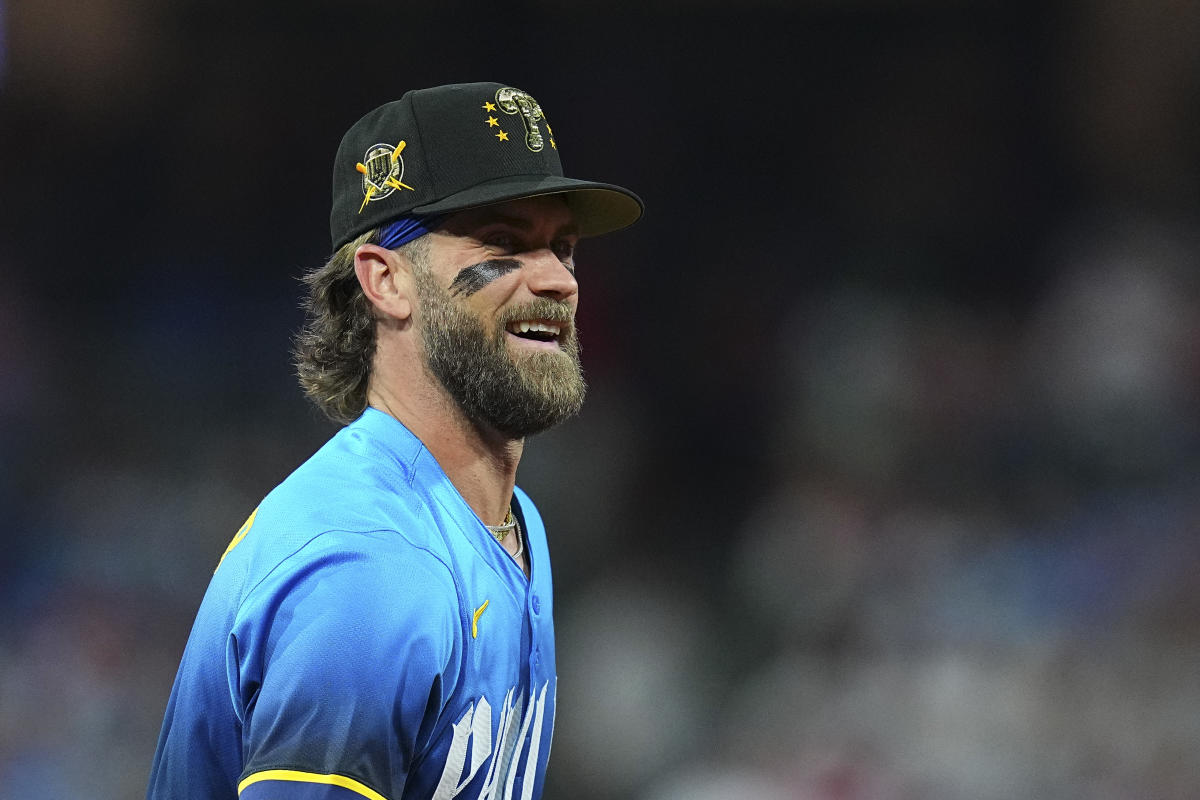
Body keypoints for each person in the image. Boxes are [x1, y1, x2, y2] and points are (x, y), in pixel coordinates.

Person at [146, 81, 642, 800]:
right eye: (504, 242)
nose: (558, 279)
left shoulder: (510, 521)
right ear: (385, 280)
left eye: (563, 248)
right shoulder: (372, 570)